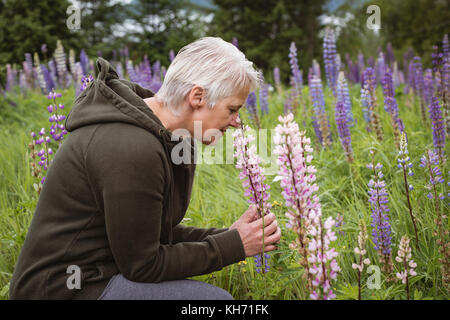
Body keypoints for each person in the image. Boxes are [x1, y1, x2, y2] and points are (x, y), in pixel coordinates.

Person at [9, 37, 281, 300]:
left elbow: (148, 235)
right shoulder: (131, 147)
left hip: (103, 270)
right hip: (63, 289)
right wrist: (233, 246)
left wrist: (229, 237)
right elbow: (143, 265)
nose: (237, 122)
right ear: (197, 96)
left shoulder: (166, 136)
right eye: (232, 109)